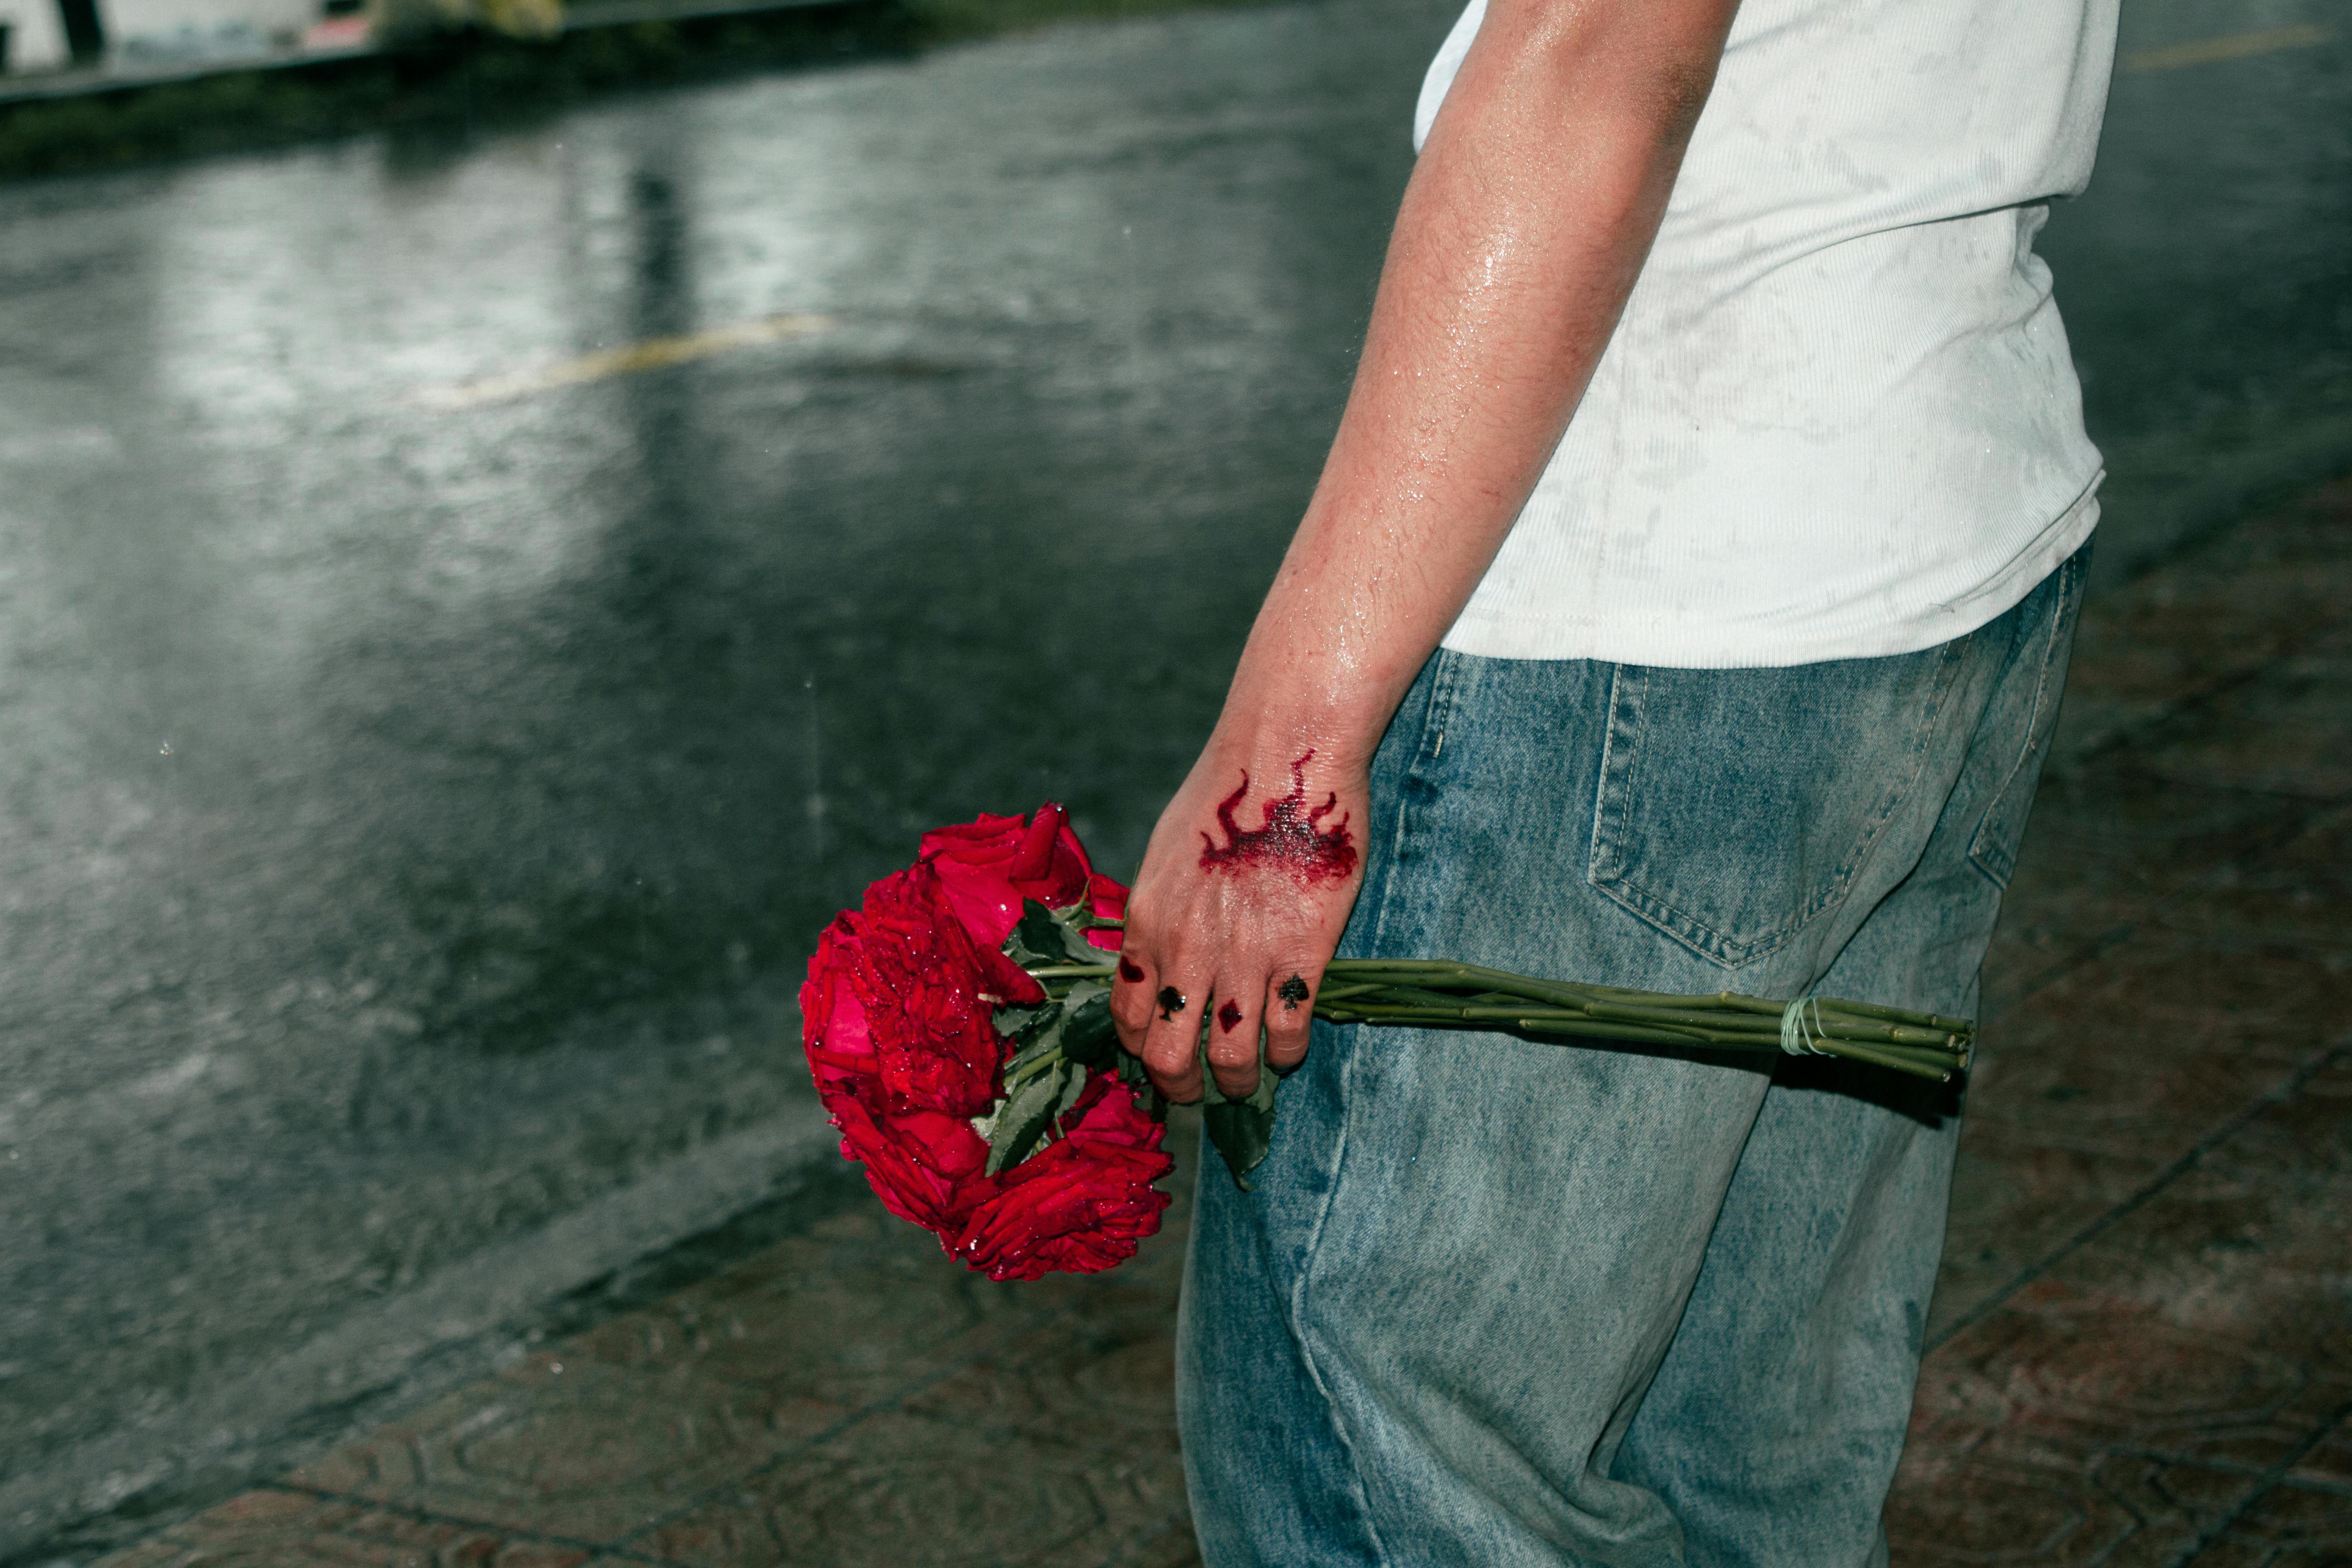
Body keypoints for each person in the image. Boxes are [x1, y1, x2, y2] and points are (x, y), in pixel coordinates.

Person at [1106, 0, 2119, 1561]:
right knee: (1750, 1465)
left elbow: (1592, 60)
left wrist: (1283, 757)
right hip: (1945, 551)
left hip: (1639, 618)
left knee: (1394, 1471)